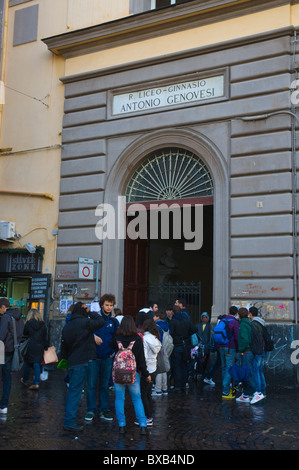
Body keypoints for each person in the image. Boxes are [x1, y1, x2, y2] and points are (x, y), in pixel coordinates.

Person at [61, 301, 105, 431]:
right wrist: (90, 312)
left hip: (72, 362)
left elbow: (63, 346)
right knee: (75, 392)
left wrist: (65, 362)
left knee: (72, 392)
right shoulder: (85, 323)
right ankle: (69, 421)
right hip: (81, 362)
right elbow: (101, 321)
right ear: (83, 311)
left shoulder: (67, 326)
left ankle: (70, 419)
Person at [110, 315, 149, 434]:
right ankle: (143, 425)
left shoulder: (116, 338)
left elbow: (109, 346)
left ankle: (121, 425)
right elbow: (141, 359)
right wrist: (146, 373)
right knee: (137, 399)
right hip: (133, 373)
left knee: (119, 399)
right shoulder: (137, 339)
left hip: (118, 373)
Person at [86, 293, 119, 422]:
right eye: (107, 305)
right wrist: (93, 337)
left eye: (111, 305)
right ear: (101, 305)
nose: (109, 307)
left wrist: (112, 352)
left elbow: (116, 338)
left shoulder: (114, 321)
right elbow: (85, 332)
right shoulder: (95, 319)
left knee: (105, 385)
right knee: (91, 385)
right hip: (93, 357)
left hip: (107, 357)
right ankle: (90, 410)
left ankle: (104, 410)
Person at [0, 298, 24, 414]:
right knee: (7, 377)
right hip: (13, 350)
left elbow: (1, 335)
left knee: (3, 376)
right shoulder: (19, 317)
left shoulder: (6, 317)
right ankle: (4, 405)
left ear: (3, 307)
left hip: (3, 350)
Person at [168, 305, 197, 391]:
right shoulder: (186, 321)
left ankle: (178, 385)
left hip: (176, 346)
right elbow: (195, 329)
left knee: (177, 366)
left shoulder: (173, 322)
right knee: (184, 365)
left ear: (173, 312)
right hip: (186, 346)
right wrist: (187, 335)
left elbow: (170, 333)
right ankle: (184, 383)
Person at [140, 318, 161, 426]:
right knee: (148, 394)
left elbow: (144, 356)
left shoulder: (144, 338)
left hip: (147, 369)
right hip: (154, 368)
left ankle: (147, 417)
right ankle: (149, 415)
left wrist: (143, 371)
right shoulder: (155, 338)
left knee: (143, 394)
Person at [20, 308, 48, 390]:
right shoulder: (43, 324)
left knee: (28, 363)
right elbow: (45, 337)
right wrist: (45, 347)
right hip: (40, 346)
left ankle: (25, 379)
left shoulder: (28, 323)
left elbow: (24, 333)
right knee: (37, 363)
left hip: (31, 345)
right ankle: (36, 383)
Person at [217, 306, 239, 399]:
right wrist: (239, 349)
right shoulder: (234, 322)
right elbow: (237, 337)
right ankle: (226, 391)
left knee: (224, 367)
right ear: (236, 313)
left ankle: (225, 388)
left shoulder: (222, 320)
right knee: (229, 368)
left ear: (229, 311)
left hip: (221, 347)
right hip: (230, 348)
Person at [236, 307, 255, 403]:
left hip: (246, 352)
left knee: (246, 374)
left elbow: (244, 339)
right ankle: (248, 394)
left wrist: (241, 350)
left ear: (239, 315)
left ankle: (249, 394)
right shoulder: (248, 323)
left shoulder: (243, 324)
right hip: (249, 351)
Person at [248, 306, 266, 404]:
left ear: (250, 313)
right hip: (263, 350)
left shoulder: (254, 324)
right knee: (260, 370)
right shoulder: (261, 322)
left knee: (255, 370)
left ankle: (258, 392)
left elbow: (255, 339)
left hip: (258, 350)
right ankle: (263, 390)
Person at [153, 310, 170, 395]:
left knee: (159, 369)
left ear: (158, 317)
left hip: (159, 348)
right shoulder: (166, 325)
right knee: (164, 369)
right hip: (165, 348)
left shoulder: (157, 326)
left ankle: (158, 389)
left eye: (154, 316)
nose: (153, 318)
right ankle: (165, 388)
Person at [195, 312, 211, 380]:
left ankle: (204, 373)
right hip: (199, 345)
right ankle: (199, 373)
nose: (204, 319)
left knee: (205, 361)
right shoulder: (198, 325)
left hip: (206, 345)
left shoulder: (209, 326)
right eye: (203, 317)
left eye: (206, 317)